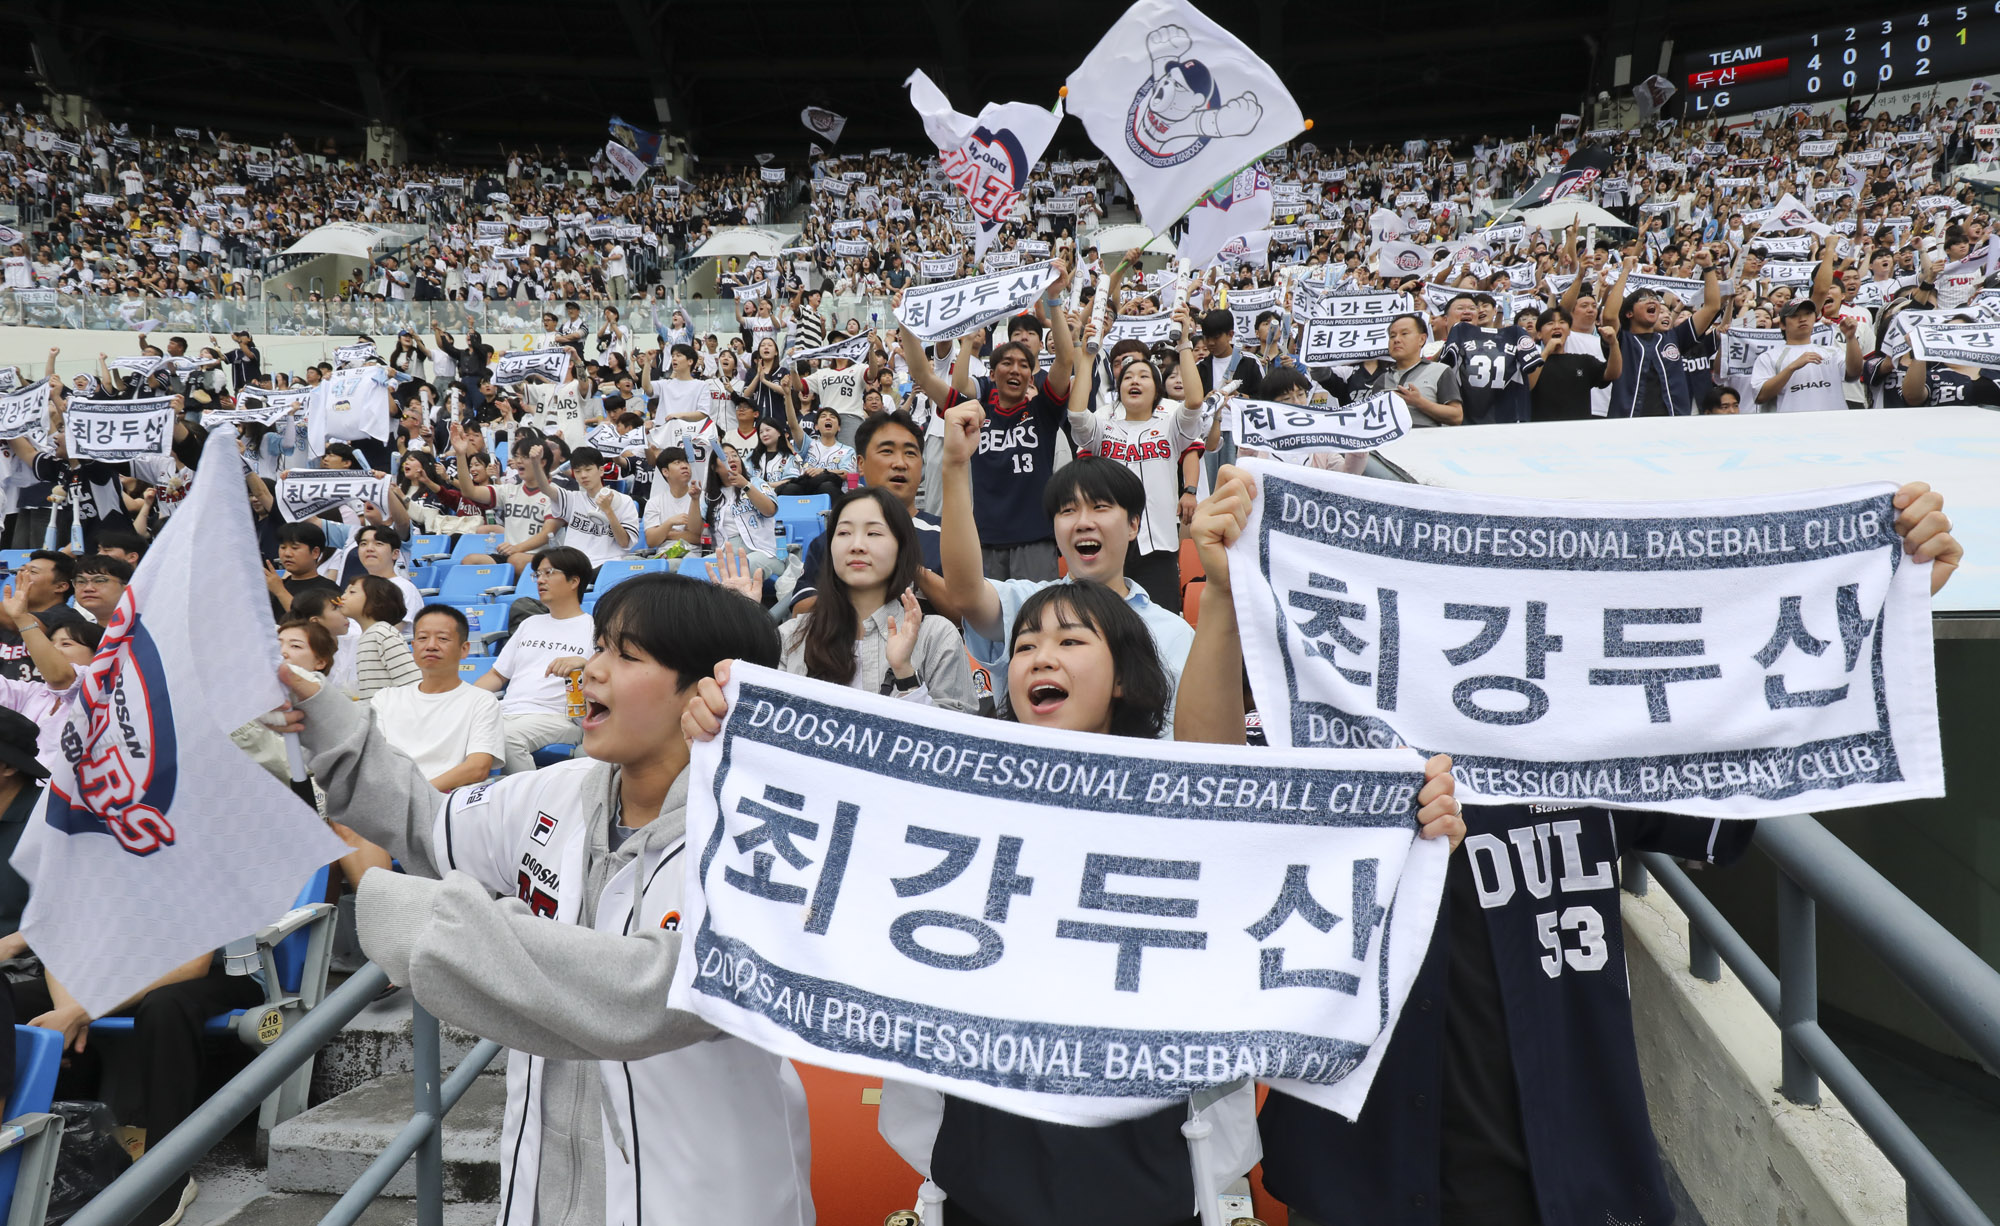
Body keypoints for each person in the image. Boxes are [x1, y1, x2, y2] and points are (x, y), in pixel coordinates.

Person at [276, 573, 814, 1226]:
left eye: (625, 655)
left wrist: (403, 909)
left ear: (704, 691)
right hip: (547, 1193)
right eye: (596, 648)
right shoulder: (555, 793)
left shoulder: (766, 842)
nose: (591, 671)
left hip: (704, 1201)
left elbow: (650, 995)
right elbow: (426, 821)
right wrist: (322, 711)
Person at [938, 399, 1192, 735]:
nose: (1083, 522)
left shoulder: (1176, 634)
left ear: (1134, 525)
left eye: (1100, 507)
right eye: (1068, 511)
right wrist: (955, 465)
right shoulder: (1028, 604)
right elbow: (964, 591)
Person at [762, 488, 975, 711]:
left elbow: (956, 737)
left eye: (873, 533)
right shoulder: (789, 638)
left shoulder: (936, 637)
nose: (857, 546)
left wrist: (905, 675)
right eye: (844, 533)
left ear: (901, 547)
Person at [1068, 309, 1207, 612]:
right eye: (1127, 376)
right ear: (1118, 389)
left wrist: (1184, 343)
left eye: (1144, 376)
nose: (1134, 380)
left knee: (1161, 629)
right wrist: (1088, 356)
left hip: (1158, 545)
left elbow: (1195, 401)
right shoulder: (1104, 421)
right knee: (1108, 627)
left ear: (1156, 390)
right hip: (1109, 544)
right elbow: (1077, 414)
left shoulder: (1170, 419)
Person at [476, 547, 595, 773]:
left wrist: (584, 663)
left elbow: (610, 677)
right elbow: (497, 676)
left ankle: (529, 801)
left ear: (573, 581)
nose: (540, 580)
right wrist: (461, 698)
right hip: (507, 711)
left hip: (559, 717)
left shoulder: (595, 629)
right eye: (537, 574)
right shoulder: (529, 624)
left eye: (549, 573)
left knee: (504, 739)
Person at [368, 605, 506, 791]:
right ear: (413, 647)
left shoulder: (481, 702)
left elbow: (477, 768)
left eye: (442, 638)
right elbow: (372, 760)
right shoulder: (385, 699)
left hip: (444, 803)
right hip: (389, 797)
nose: (431, 645)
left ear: (464, 649)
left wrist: (417, 796)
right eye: (423, 638)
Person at [524, 443, 639, 570]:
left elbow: (624, 542)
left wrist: (608, 510)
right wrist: (535, 463)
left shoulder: (624, 501)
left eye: (588, 470)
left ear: (601, 470)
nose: (583, 475)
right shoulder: (573, 498)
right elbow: (545, 488)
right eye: (578, 471)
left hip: (606, 566)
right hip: (573, 565)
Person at [1751, 298, 1863, 413]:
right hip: (1789, 428)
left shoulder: (1832, 352)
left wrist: (1850, 338)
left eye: (1808, 314)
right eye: (1794, 315)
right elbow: (1761, 396)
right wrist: (1792, 367)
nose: (1803, 319)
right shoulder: (1769, 357)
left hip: (1832, 426)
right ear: (1782, 325)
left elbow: (1854, 374)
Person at [0, 552, 89, 683]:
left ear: (60, 586)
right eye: (21, 570)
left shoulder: (68, 619)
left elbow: (18, 621)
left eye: (32, 572)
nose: (21, 576)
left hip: (47, 699)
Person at [1527, 309, 1621, 423]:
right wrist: (1546, 351)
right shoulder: (1531, 363)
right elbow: (1528, 385)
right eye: (1550, 323)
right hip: (1542, 431)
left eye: (1562, 322)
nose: (1557, 326)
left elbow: (1612, 374)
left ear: (1569, 331)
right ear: (1539, 334)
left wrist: (1613, 343)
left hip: (1578, 432)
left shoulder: (1584, 361)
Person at [1375, 314, 1464, 427]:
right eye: (1392, 336)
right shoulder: (1381, 380)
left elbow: (1456, 416)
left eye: (1404, 334)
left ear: (1422, 339)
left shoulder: (1440, 371)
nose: (1396, 340)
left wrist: (1419, 402)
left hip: (1426, 442)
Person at [342, 575, 420, 699]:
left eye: (352, 592)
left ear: (376, 602)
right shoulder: (368, 635)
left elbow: (411, 680)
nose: (343, 597)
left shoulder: (383, 633)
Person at [265, 521, 343, 615]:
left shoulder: (328, 590)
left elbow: (309, 621)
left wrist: (280, 591)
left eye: (295, 548)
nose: (287, 554)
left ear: (315, 552)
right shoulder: (278, 585)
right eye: (283, 547)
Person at [69, 554, 132, 625]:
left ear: (125, 587)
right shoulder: (79, 633)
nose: (88, 588)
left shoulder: (142, 632)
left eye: (99, 581)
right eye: (81, 581)